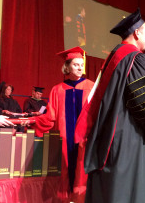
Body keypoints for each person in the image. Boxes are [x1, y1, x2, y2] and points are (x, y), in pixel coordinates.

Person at [74, 8, 145, 203]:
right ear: (137, 32)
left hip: (110, 137)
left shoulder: (114, 56)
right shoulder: (137, 58)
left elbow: (130, 93)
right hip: (128, 139)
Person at [31, 47, 94, 202]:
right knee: (67, 169)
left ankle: (83, 198)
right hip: (66, 140)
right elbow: (50, 117)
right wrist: (31, 121)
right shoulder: (57, 90)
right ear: (67, 67)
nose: (80, 67)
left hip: (85, 138)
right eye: (75, 64)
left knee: (83, 169)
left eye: (81, 64)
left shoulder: (91, 87)